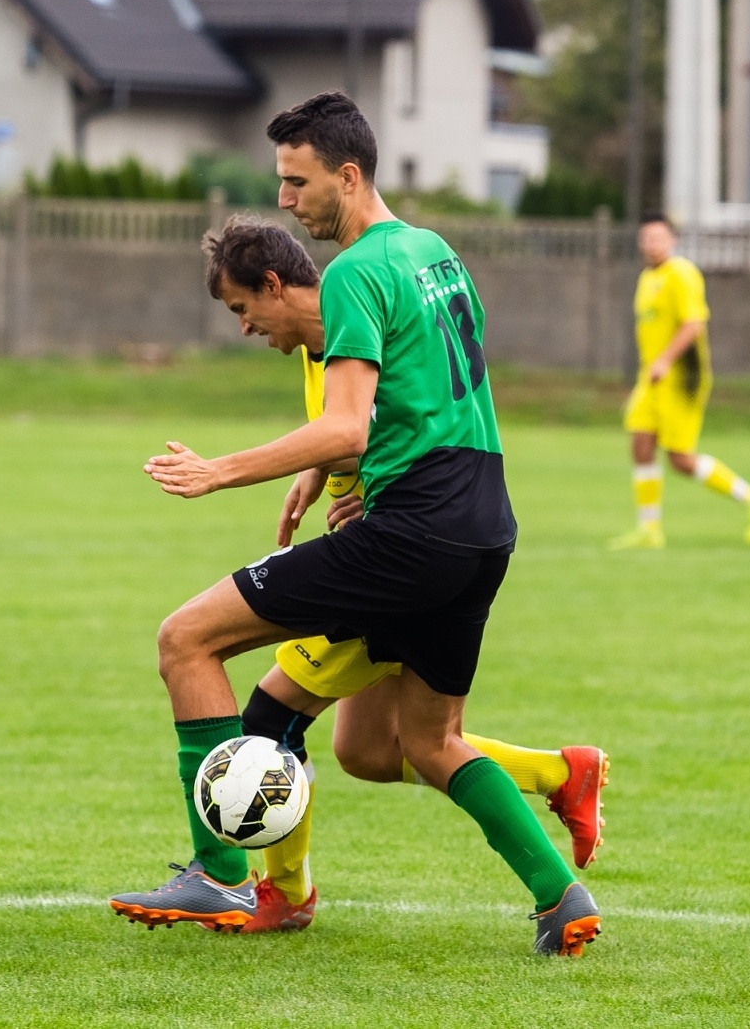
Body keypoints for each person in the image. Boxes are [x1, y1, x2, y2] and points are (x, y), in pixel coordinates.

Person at [108, 92, 602, 956]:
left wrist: (219, 470)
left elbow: (350, 426)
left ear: (348, 174)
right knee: (415, 741)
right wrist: (333, 476)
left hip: (410, 530)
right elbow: (439, 391)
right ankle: (562, 897)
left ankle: (219, 871)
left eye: (298, 183)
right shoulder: (433, 251)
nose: (289, 202)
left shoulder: (351, 271)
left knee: (186, 640)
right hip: (484, 522)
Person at [195, 214, 608, 934]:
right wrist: (321, 474)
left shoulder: (360, 303)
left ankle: (282, 894)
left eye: (242, 309)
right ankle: (558, 806)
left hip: (401, 549)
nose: (244, 328)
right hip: (453, 534)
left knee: (266, 710)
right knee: (377, 750)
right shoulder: (340, 322)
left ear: (272, 285)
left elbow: (371, 419)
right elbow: (352, 428)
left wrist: (344, 485)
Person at [608, 213, 750, 550]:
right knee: (640, 444)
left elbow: (693, 324)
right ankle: (650, 530)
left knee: (680, 459)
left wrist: (665, 362)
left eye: (657, 237)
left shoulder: (682, 274)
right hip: (651, 379)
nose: (650, 244)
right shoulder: (646, 278)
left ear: (673, 240)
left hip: (682, 378)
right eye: (645, 238)